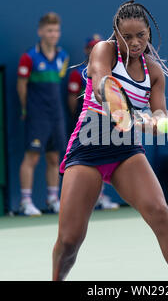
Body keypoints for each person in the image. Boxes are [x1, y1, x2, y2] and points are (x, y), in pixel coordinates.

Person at [52, 0, 168, 280]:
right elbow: (104, 85)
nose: (134, 42)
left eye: (140, 35)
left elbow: (159, 113)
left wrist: (155, 123)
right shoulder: (103, 50)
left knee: (160, 212)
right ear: (115, 34)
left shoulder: (154, 72)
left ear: (148, 33)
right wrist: (123, 112)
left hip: (126, 150)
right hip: (88, 147)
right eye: (126, 37)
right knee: (70, 240)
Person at [17, 12, 69, 216]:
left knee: (55, 159)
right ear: (40, 32)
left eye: (56, 30)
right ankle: (25, 201)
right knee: (32, 158)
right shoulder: (28, 57)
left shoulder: (63, 56)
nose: (53, 34)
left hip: (56, 115)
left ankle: (52, 199)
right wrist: (25, 109)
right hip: (37, 115)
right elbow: (21, 86)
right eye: (49, 30)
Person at [68, 34, 120, 210]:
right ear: (86, 50)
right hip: (84, 123)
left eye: (98, 46)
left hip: (107, 123)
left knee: (103, 157)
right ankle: (84, 201)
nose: (95, 50)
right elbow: (72, 99)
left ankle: (101, 196)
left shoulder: (112, 70)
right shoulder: (78, 74)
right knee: (87, 163)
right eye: (91, 46)